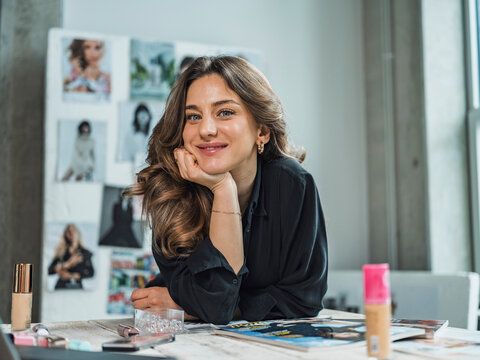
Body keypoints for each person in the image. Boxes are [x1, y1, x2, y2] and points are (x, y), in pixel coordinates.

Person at [126, 56, 328, 324]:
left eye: (225, 112)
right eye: (193, 116)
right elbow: (215, 305)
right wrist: (223, 188)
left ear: (262, 132)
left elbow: (305, 299)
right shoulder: (169, 190)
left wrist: (193, 307)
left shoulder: (293, 185)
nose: (206, 130)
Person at [47, 223, 95, 290]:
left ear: (78, 233)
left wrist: (73, 276)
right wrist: (67, 264)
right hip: (61, 286)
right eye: (69, 231)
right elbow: (49, 271)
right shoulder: (61, 251)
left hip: (77, 286)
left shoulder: (85, 253)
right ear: (65, 234)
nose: (72, 234)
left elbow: (91, 273)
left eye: (74, 231)